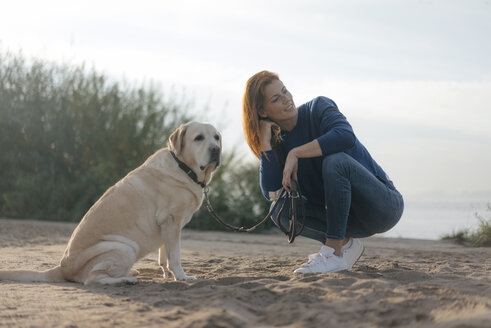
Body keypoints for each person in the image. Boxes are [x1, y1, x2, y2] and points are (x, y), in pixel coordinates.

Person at [241, 71, 404, 274]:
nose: (287, 99)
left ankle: (333, 253)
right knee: (278, 210)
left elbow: (345, 136)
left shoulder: (318, 107)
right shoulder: (279, 145)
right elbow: (272, 193)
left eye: (285, 91)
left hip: (382, 207)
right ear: (263, 112)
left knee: (335, 161)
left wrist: (296, 153)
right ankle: (345, 246)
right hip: (346, 220)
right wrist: (265, 144)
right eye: (276, 99)